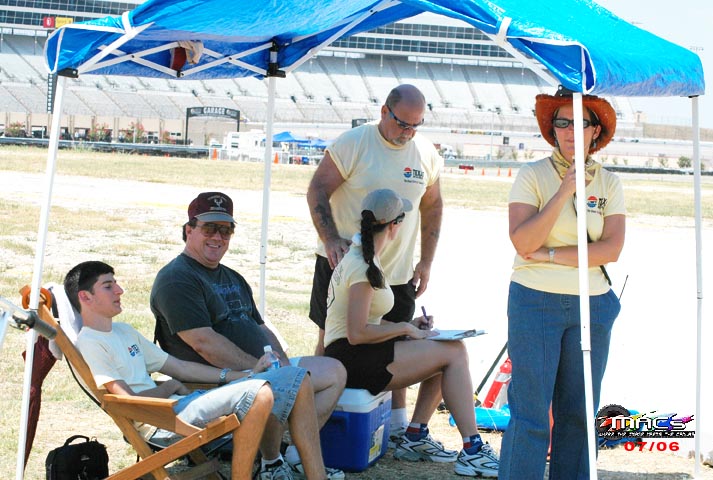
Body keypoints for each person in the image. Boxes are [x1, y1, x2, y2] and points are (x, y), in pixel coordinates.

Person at [65, 261, 329, 480]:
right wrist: (171, 386)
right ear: (85, 297)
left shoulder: (124, 331)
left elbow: (179, 367)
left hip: (180, 406)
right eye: (108, 286)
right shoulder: (90, 342)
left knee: (296, 377)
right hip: (160, 420)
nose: (119, 290)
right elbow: (126, 401)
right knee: (261, 394)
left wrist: (245, 374)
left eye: (116, 283)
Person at [150, 191, 346, 479]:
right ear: (189, 230)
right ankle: (271, 463)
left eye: (226, 230)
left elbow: (261, 327)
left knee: (333, 371)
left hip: (259, 367)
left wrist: (281, 361)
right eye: (209, 228)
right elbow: (204, 343)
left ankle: (293, 455)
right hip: (215, 379)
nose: (218, 237)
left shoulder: (232, 276)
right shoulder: (177, 279)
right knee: (281, 382)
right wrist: (258, 368)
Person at [323, 189, 499, 478]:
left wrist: (412, 326)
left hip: (354, 353)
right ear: (395, 226)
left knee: (447, 348)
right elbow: (356, 333)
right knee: (454, 353)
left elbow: (365, 323)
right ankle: (472, 450)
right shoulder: (362, 266)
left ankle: (416, 435)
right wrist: (405, 328)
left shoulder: (364, 258)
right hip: (351, 358)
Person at [498, 90, 625, 480]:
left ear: (595, 131)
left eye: (580, 123)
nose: (571, 131)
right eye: (562, 123)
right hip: (535, 300)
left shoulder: (608, 182)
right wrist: (563, 192)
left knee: (580, 413)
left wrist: (552, 255)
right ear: (552, 129)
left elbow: (611, 249)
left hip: (593, 303)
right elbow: (523, 242)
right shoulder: (532, 175)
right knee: (530, 412)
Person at [306, 84, 444, 439]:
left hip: (397, 270)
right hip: (344, 266)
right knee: (331, 343)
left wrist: (426, 261)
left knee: (396, 347)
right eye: (402, 123)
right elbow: (317, 189)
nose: (408, 132)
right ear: (384, 111)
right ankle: (315, 424)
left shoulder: (425, 153)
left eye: (416, 125)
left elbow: (432, 206)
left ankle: (395, 427)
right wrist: (330, 238)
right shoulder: (354, 142)